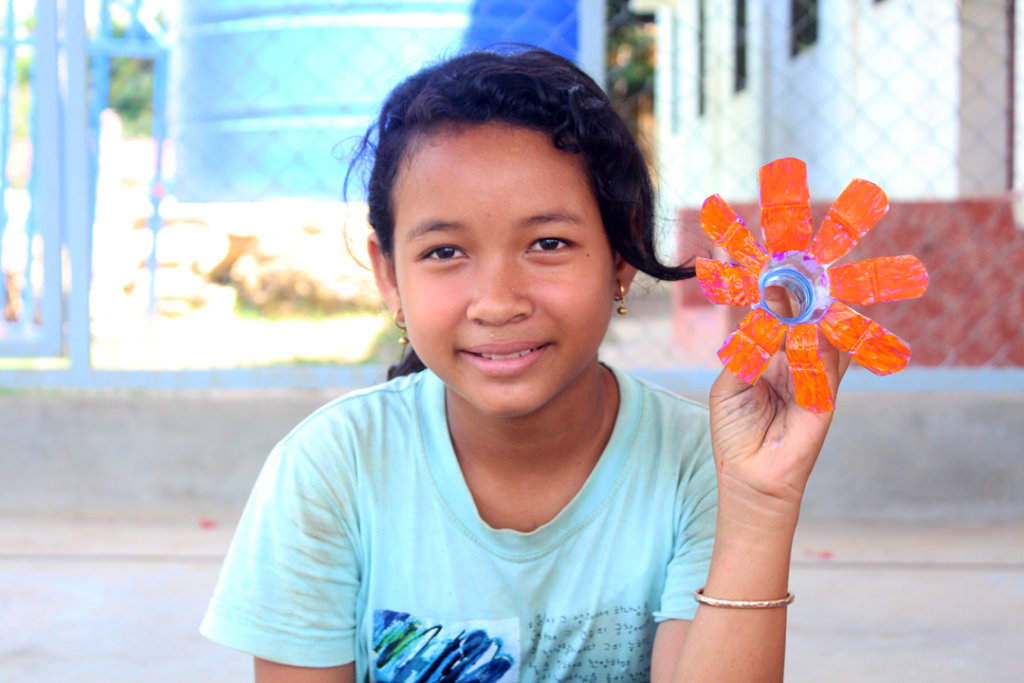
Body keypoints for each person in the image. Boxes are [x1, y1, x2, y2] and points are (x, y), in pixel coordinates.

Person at [200, 46, 848, 682]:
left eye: (548, 243)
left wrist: (760, 502)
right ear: (388, 274)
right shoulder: (330, 470)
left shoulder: (700, 463)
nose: (499, 302)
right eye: (446, 251)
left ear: (622, 252)